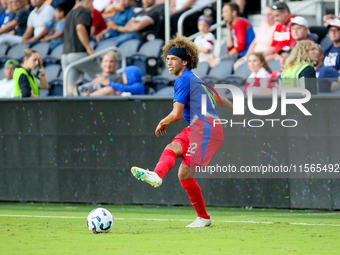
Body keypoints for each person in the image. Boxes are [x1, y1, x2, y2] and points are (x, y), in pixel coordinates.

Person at [130, 34, 233, 228]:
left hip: (206, 130)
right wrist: (238, 109)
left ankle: (159, 177)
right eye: (167, 59)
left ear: (184, 62)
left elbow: (177, 114)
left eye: (173, 59)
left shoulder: (184, 80)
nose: (169, 63)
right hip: (202, 128)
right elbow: (219, 98)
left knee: (182, 168)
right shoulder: (194, 78)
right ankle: (159, 177)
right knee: (181, 166)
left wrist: (163, 121)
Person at [62, 0, 102, 95]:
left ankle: (73, 108)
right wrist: (88, 47)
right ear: (87, 1)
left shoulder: (70, 13)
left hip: (66, 55)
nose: (92, 7)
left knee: (71, 89)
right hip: (79, 52)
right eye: (92, 3)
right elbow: (80, 27)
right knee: (103, 76)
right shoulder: (84, 10)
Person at [206, 2, 255, 68]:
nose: (223, 15)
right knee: (208, 62)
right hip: (238, 55)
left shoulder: (240, 22)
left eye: (225, 12)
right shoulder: (234, 25)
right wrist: (229, 30)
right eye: (222, 12)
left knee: (211, 63)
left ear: (234, 13)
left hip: (244, 55)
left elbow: (241, 47)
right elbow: (230, 48)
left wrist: (223, 57)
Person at [95, 0, 160, 47]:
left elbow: (138, 27)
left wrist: (117, 27)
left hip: (139, 36)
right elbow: (127, 26)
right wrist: (134, 25)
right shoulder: (140, 12)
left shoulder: (154, 11)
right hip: (129, 34)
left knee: (113, 42)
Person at [233, 6, 278, 70]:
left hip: (265, 55)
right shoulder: (262, 25)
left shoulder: (277, 26)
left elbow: (275, 46)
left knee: (254, 64)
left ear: (274, 14)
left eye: (269, 14)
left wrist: (261, 56)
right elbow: (254, 42)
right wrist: (247, 56)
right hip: (255, 54)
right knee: (237, 64)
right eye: (265, 15)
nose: (267, 17)